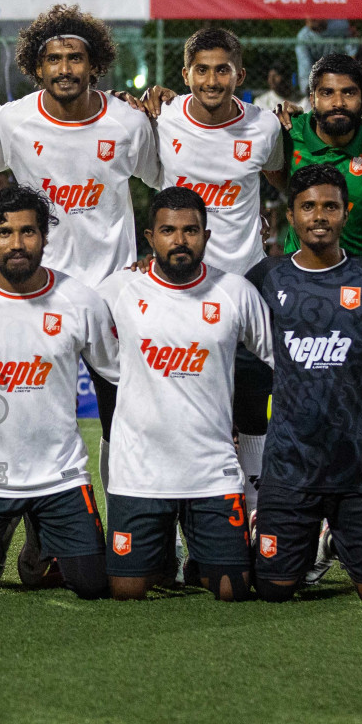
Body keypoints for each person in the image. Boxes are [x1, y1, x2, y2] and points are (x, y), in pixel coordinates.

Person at [0, 4, 159, 574]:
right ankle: (44, 538)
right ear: (36, 65)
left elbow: (165, 184)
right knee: (36, 420)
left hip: (112, 293)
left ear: (95, 63)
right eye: (53, 58)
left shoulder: (128, 125)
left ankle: (132, 532)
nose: (64, 67)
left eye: (75, 57)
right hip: (39, 292)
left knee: (122, 420)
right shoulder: (10, 122)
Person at [247, 165, 362, 603]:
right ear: (291, 215)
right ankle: (304, 534)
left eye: (330, 206)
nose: (319, 216)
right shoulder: (265, 279)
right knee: (273, 590)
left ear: (347, 213)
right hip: (291, 462)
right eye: (308, 206)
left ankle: (334, 539)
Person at [0, 185, 114, 600]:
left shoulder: (81, 301)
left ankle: (39, 539)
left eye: (28, 232)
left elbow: (115, 373)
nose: (16, 244)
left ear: (45, 237)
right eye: (4, 233)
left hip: (60, 474)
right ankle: (18, 527)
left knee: (93, 584)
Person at [96, 186, 272, 602]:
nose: (180, 240)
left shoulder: (236, 292)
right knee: (127, 590)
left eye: (191, 230)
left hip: (210, 470)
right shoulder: (117, 290)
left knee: (233, 590)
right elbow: (87, 345)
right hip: (139, 472)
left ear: (206, 237)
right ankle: (163, 554)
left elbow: (278, 356)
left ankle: (201, 559)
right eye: (169, 231)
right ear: (150, 237)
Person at [148, 28, 287, 520]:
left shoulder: (264, 128)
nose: (211, 80)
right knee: (186, 407)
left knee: (252, 405)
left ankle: (255, 515)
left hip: (246, 284)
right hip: (180, 286)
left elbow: (280, 175)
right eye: (201, 70)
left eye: (222, 69)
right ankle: (182, 530)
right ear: (184, 76)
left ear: (239, 75)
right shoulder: (160, 120)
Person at [281, 53, 362, 261]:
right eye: (327, 93)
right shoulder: (287, 133)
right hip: (301, 278)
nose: (338, 102)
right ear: (312, 99)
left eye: (349, 93)